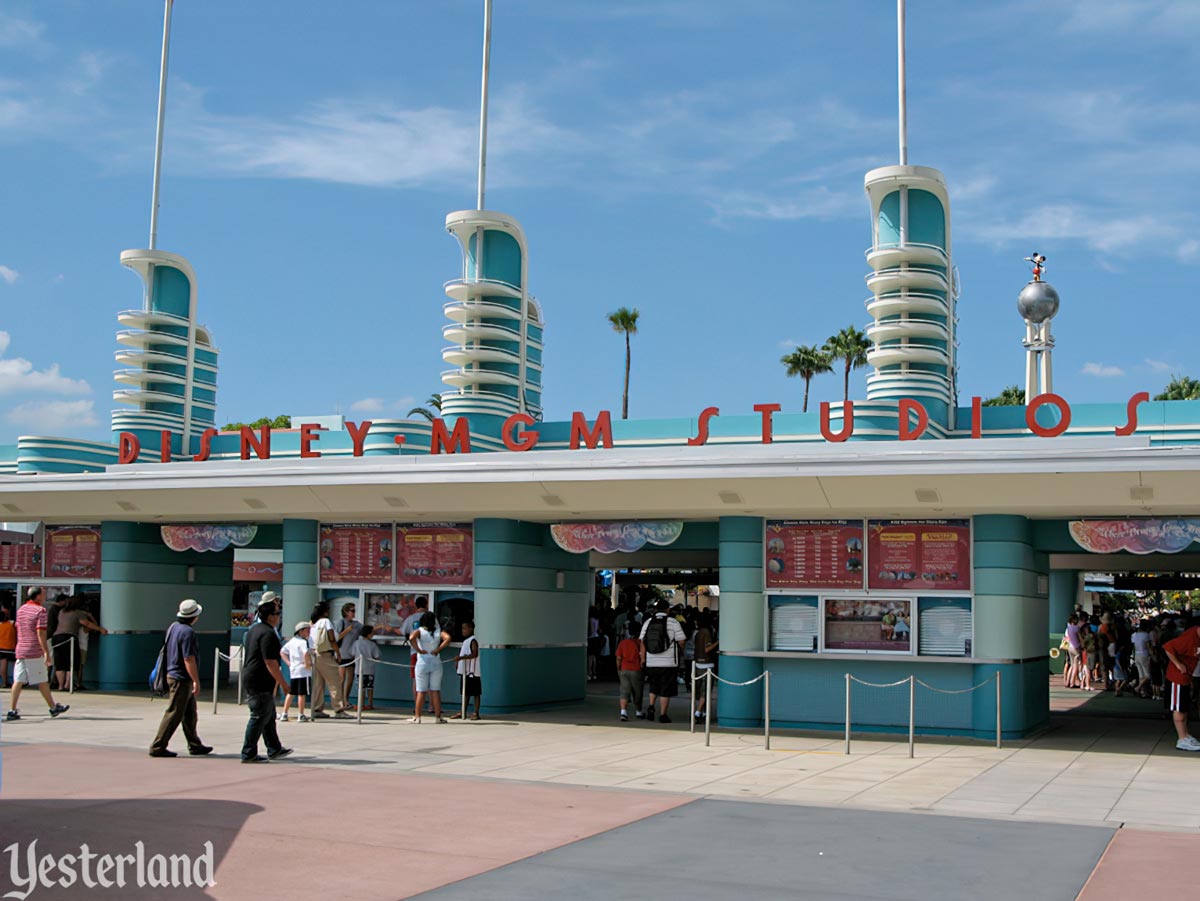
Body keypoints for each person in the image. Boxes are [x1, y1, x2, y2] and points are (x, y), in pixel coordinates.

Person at [149, 599, 214, 757]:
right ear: (195, 616)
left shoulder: (174, 627)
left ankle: (194, 744)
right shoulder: (188, 632)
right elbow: (188, 658)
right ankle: (158, 746)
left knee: (190, 713)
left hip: (173, 673)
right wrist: (196, 680)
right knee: (174, 713)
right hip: (181, 678)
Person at [240, 594, 293, 763]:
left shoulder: (254, 629)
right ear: (270, 616)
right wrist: (283, 683)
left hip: (253, 677)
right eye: (278, 614)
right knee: (258, 715)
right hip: (259, 680)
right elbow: (270, 662)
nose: (279, 617)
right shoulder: (268, 634)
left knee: (268, 715)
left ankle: (274, 748)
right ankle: (248, 752)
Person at [6, 587, 69, 721]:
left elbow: (18, 627)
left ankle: (12, 709)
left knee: (18, 680)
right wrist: (46, 651)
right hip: (34, 650)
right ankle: (53, 708)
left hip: (21, 649)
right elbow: (41, 632)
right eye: (43, 594)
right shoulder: (41, 611)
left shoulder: (21, 609)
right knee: (42, 680)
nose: (45, 596)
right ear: (38, 596)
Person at [640, 600, 685, 723]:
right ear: (667, 610)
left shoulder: (648, 622)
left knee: (653, 686)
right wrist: (679, 653)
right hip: (669, 663)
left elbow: (642, 642)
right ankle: (663, 715)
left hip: (651, 661)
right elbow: (681, 641)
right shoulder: (673, 622)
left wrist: (643, 658)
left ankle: (651, 706)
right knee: (666, 688)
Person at [51, 596, 108, 691]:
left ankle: (60, 686)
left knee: (60, 663)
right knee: (71, 662)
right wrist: (100, 629)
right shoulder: (78, 613)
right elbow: (87, 623)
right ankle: (67, 685)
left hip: (56, 638)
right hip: (69, 637)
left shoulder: (62, 612)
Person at [1161, 621, 1200, 752]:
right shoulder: (1189, 638)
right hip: (1177, 677)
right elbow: (1168, 647)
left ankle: (1185, 735)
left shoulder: (1195, 637)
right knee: (1179, 708)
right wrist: (1178, 664)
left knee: (1183, 707)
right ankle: (1182, 738)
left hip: (1185, 677)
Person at [309, 600, 349, 719]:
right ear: (325, 611)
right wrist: (338, 653)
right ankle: (339, 709)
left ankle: (316, 708)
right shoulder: (325, 621)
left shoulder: (312, 623)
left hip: (314, 655)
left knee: (318, 684)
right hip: (325, 654)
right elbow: (332, 639)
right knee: (334, 682)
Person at [410, 611, 450, 724]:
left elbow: (411, 637)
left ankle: (417, 716)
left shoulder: (420, 631)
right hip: (436, 662)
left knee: (421, 691)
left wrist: (418, 649)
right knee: (435, 690)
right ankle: (438, 717)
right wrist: (438, 649)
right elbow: (448, 638)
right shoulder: (438, 631)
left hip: (422, 662)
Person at [279, 621, 312, 722]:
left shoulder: (292, 641)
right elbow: (306, 653)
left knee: (292, 692)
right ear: (300, 631)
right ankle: (301, 714)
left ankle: (284, 713)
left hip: (294, 670)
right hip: (303, 670)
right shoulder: (303, 642)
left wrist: (289, 663)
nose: (309, 632)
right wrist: (308, 664)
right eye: (307, 630)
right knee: (301, 693)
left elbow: (282, 652)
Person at [334, 602, 363, 706]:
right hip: (341, 653)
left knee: (350, 679)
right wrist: (346, 631)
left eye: (354, 611)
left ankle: (346, 699)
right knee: (341, 678)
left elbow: (365, 630)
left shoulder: (357, 624)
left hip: (351, 655)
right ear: (346, 612)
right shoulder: (341, 623)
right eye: (352, 611)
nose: (354, 613)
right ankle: (340, 700)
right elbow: (336, 637)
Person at [614, 622, 644, 722]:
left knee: (624, 691)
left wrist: (619, 668)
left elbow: (618, 658)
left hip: (624, 669)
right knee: (637, 692)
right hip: (636, 670)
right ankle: (638, 711)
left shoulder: (623, 643)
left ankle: (623, 712)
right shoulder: (641, 643)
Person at [452, 619, 481, 720]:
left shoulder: (473, 640)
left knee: (476, 693)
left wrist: (461, 658)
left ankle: (476, 713)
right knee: (465, 692)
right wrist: (459, 662)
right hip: (465, 672)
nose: (463, 630)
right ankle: (463, 711)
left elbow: (474, 654)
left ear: (471, 629)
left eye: (465, 628)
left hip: (472, 672)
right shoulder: (466, 641)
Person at [693, 612, 719, 723]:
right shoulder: (707, 632)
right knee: (706, 691)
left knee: (700, 690)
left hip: (698, 663)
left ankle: (704, 713)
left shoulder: (698, 633)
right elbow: (707, 649)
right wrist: (718, 642)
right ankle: (698, 712)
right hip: (707, 664)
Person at [352, 624, 381, 711]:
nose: (373, 634)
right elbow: (377, 655)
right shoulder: (372, 644)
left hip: (359, 669)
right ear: (368, 634)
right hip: (370, 669)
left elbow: (352, 653)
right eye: (372, 632)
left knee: (361, 688)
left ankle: (361, 704)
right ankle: (370, 704)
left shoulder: (356, 643)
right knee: (370, 687)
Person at [0, 607, 16, 689]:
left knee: (3, 666)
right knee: (14, 666)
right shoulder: (12, 623)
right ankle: (15, 682)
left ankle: (4, 682)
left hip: (1, 647)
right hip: (11, 647)